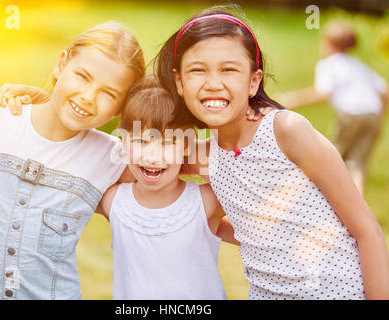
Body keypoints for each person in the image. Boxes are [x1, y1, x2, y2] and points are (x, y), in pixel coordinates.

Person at [155, 8, 389, 299]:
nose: (213, 83)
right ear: (179, 82)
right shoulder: (204, 155)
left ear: (253, 81)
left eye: (229, 69)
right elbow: (134, 162)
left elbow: (367, 231)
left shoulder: (286, 130)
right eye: (197, 70)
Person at [0, 21, 146, 299]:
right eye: (82, 76)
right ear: (61, 64)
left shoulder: (112, 156)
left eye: (108, 93)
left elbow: (173, 178)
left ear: (120, 107)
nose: (88, 97)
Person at [97, 75, 237, 299]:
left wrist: (188, 164)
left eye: (167, 143)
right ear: (122, 142)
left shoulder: (206, 201)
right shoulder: (112, 200)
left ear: (186, 145)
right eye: (141, 141)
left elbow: (243, 172)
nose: (152, 156)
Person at [277, 20, 387, 194]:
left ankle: (324, 202)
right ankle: (358, 207)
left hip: (351, 114)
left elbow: (322, 93)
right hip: (372, 115)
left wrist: (292, 101)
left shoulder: (329, 64)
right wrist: (381, 117)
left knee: (333, 158)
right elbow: (385, 91)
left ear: (329, 43)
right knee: (357, 163)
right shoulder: (359, 65)